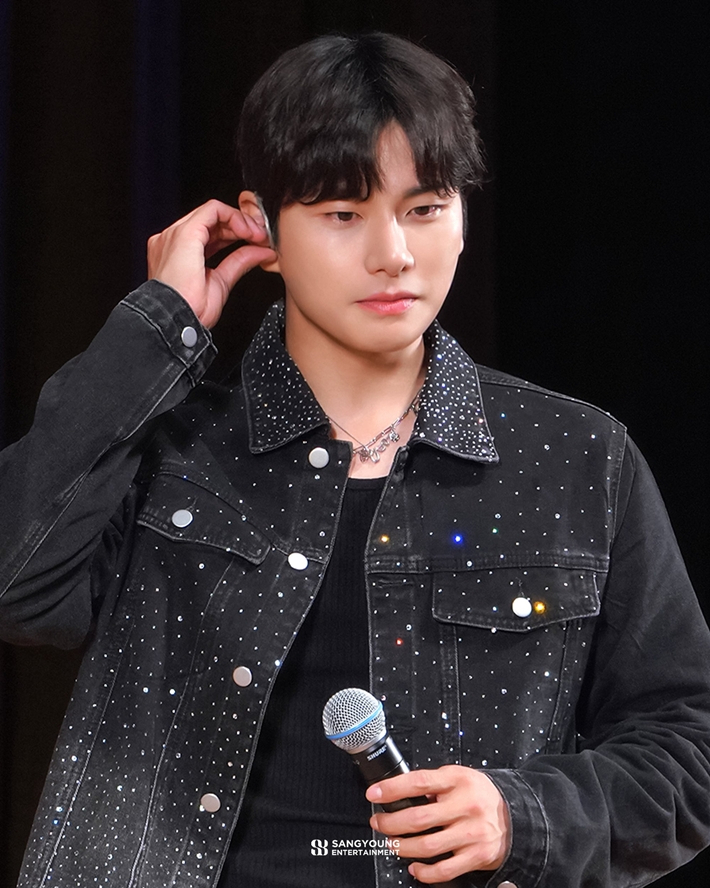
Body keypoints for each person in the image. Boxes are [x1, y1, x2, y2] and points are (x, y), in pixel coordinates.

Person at [1, 31, 709, 888]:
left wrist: (520, 816)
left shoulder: (576, 456)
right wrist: (156, 331)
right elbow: (18, 586)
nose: (393, 255)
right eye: (343, 215)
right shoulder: (172, 444)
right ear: (263, 224)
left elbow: (690, 748)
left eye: (425, 208)